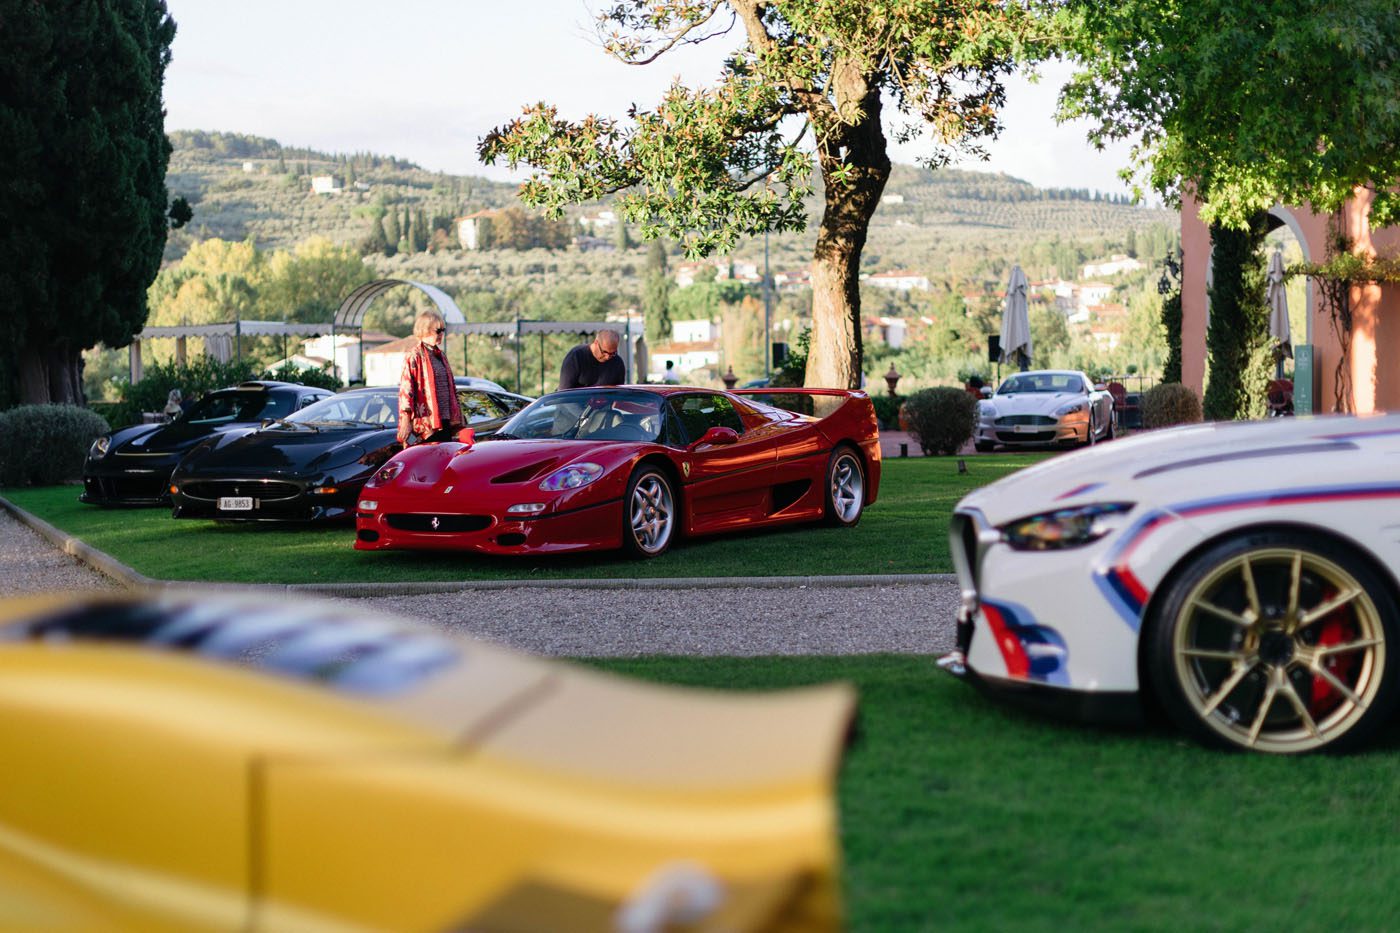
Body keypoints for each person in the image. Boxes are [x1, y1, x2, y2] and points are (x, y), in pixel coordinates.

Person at [397, 310, 463, 446]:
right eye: (438, 330)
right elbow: (406, 389)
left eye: (443, 330)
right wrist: (405, 419)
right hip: (426, 424)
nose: (441, 334)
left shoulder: (441, 355)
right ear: (425, 329)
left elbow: (452, 387)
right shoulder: (414, 356)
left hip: (445, 421)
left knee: (444, 461)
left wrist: (458, 416)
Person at [559, 329, 626, 389]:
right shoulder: (576, 357)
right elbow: (564, 392)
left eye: (613, 353)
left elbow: (619, 393)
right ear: (596, 343)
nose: (607, 357)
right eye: (604, 352)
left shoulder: (617, 363)